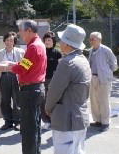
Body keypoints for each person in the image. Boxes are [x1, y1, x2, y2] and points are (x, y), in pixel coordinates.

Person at [0, 20, 47, 154]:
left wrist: (0, 66)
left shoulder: (33, 47)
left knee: (28, 130)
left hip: (30, 91)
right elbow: (26, 65)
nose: (19, 35)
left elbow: (22, 68)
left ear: (28, 31)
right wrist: (11, 64)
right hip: (36, 89)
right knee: (34, 127)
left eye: (21, 31)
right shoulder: (38, 44)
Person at [45, 24, 92, 154]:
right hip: (80, 117)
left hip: (66, 119)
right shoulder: (83, 60)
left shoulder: (67, 62)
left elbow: (54, 90)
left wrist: (48, 108)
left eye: (62, 40)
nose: (59, 42)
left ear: (67, 43)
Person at [89, 32, 118, 132]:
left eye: (93, 39)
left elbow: (114, 63)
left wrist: (108, 72)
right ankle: (97, 120)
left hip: (104, 78)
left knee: (104, 101)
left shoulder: (106, 50)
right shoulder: (91, 51)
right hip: (93, 78)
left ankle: (105, 122)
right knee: (94, 100)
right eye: (90, 39)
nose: (91, 41)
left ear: (99, 40)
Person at [0, 32, 25, 131]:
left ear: (14, 42)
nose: (9, 42)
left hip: (16, 77)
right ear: (4, 41)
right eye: (7, 40)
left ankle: (18, 121)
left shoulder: (21, 51)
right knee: (5, 101)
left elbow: (25, 65)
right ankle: (7, 121)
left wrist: (12, 65)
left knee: (17, 100)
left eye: (11, 40)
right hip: (4, 77)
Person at [41, 31, 62, 129]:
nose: (47, 42)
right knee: (43, 101)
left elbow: (61, 67)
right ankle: (46, 120)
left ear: (53, 41)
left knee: (53, 101)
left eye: (49, 40)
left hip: (53, 80)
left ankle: (54, 120)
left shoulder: (57, 53)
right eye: (46, 40)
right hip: (42, 79)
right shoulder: (41, 51)